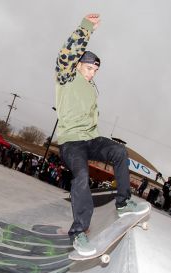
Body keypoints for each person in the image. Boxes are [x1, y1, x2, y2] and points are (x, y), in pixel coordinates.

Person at [56, 13, 136, 256]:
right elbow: (66, 54)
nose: (91, 74)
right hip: (71, 142)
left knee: (119, 151)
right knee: (81, 175)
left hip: (90, 139)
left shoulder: (92, 89)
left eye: (95, 70)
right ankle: (79, 231)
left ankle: (123, 202)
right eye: (89, 68)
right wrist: (85, 28)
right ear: (79, 65)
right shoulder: (67, 77)